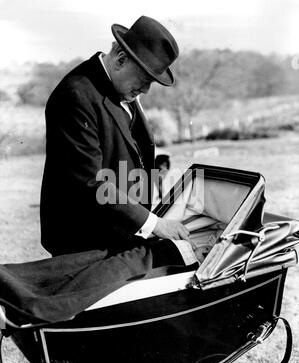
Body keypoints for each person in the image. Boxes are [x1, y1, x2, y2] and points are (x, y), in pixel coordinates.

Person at [40, 15, 191, 257]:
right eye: (144, 81)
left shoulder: (122, 87)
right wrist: (155, 224)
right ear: (121, 59)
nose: (145, 90)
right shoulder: (75, 95)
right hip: (84, 241)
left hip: (120, 233)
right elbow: (90, 182)